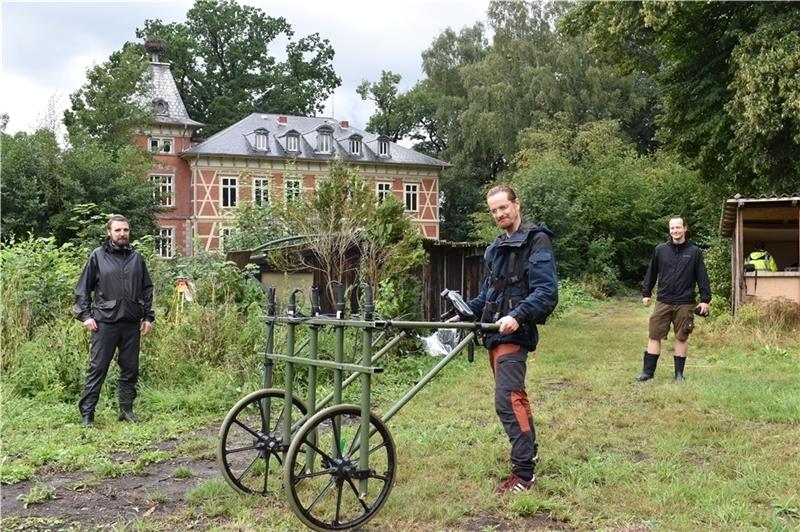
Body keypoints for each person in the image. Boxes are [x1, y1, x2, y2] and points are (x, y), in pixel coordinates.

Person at [450, 185, 558, 493]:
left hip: (515, 331)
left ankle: (524, 474)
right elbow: (489, 294)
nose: (499, 214)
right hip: (494, 333)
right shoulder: (494, 249)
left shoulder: (537, 241)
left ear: (516, 204)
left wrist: (517, 315)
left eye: (503, 208)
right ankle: (530, 451)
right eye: (494, 210)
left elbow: (546, 293)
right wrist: (467, 311)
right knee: (516, 398)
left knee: (507, 400)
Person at [74, 215, 154, 426]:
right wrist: (85, 315)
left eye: (125, 230)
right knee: (98, 368)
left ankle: (126, 410)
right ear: (109, 232)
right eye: (118, 230)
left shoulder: (137, 258)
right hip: (104, 323)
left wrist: (148, 316)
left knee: (130, 368)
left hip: (131, 323)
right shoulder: (97, 257)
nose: (122, 234)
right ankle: (88, 414)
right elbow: (83, 288)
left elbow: (147, 288)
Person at [638, 215, 711, 382]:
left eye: (678, 227)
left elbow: (702, 277)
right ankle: (647, 373)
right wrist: (646, 293)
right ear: (669, 230)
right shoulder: (660, 250)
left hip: (685, 302)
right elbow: (651, 272)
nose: (675, 231)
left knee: (681, 336)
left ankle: (679, 374)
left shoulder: (694, 252)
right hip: (663, 300)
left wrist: (705, 299)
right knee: (654, 335)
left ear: (685, 228)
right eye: (672, 228)